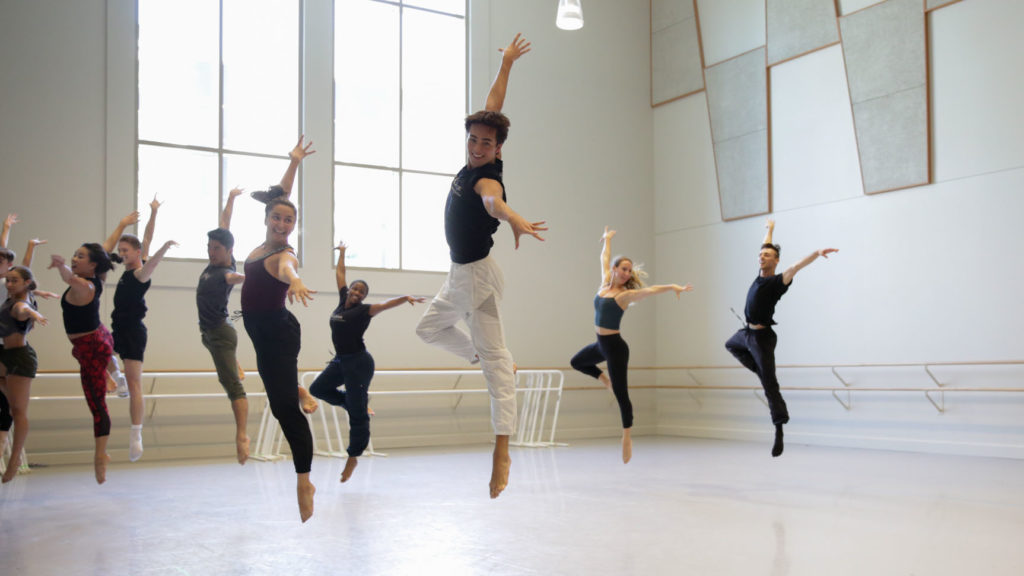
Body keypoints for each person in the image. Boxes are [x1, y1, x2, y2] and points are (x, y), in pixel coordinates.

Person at [415, 34, 546, 499]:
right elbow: (492, 105)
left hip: (473, 276)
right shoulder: (477, 154)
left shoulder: (487, 179)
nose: (477, 146)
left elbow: (492, 202)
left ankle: (502, 450)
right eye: (473, 139)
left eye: (485, 143)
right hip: (466, 273)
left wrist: (513, 217)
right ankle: (492, 363)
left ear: (498, 149)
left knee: (474, 355)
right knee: (459, 343)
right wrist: (507, 64)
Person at [240, 136, 318, 522]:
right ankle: (296, 385)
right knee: (282, 397)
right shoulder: (260, 246)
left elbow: (289, 268)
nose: (283, 223)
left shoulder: (284, 253)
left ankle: (304, 481)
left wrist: (296, 280)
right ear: (268, 218)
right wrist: (295, 162)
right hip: (266, 334)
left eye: (290, 220)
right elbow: (280, 195)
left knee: (284, 410)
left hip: (278, 334)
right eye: (278, 218)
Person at [570, 227, 693, 463]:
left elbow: (650, 290)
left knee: (622, 394)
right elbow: (604, 257)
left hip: (615, 347)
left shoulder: (624, 296)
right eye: (624, 269)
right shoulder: (604, 283)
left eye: (630, 270)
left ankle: (626, 436)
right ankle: (605, 381)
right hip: (600, 344)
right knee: (577, 362)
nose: (627, 273)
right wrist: (607, 240)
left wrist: (673, 287)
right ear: (615, 270)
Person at [310, 241, 425, 483]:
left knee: (358, 416)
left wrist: (405, 297)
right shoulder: (342, 300)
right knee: (317, 389)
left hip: (359, 363)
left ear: (364, 296)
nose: (356, 293)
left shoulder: (364, 311)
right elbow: (340, 274)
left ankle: (353, 456)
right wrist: (342, 254)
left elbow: (385, 305)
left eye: (361, 292)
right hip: (341, 360)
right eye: (354, 289)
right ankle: (353, 404)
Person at [725, 218, 838, 457]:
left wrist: (816, 253)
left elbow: (796, 266)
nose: (762, 257)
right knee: (730, 345)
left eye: (768, 255)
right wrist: (770, 230)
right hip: (746, 334)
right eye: (761, 254)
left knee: (770, 386)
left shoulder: (778, 282)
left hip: (762, 338)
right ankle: (760, 371)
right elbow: (764, 246)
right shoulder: (759, 274)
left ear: (776, 261)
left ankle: (779, 428)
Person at [104, 199, 178, 462]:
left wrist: (164, 248)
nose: (121, 254)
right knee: (98, 352)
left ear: (137, 253)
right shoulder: (130, 265)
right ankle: (117, 377)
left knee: (136, 384)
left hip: (133, 331)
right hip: (117, 327)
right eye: (120, 250)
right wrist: (154, 211)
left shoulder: (139, 274)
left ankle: (136, 435)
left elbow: (152, 262)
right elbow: (146, 236)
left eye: (126, 250)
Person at [49, 243, 117, 484]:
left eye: (80, 256)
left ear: (93, 265)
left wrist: (61, 267)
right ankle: (109, 368)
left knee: (96, 404)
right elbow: (106, 248)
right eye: (74, 255)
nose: (75, 258)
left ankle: (101, 456)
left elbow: (70, 278)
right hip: (95, 340)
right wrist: (120, 226)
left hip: (93, 346)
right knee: (80, 353)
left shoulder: (86, 285)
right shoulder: (95, 279)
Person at [197, 187, 249, 464]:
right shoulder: (217, 258)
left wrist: (253, 277)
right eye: (209, 247)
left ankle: (241, 435)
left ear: (228, 251)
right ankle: (235, 363)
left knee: (232, 387)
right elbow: (225, 223)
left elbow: (237, 278)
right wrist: (230, 199)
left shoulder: (227, 272)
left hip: (219, 334)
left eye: (215, 248)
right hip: (210, 333)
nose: (211, 252)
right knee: (229, 370)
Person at [0, 266, 47, 482]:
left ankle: (15, 459)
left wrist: (33, 313)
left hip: (20, 358)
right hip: (6, 356)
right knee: (12, 406)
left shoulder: (21, 302)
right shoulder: (21, 295)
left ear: (26, 283)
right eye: (7, 280)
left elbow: (22, 309)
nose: (9, 284)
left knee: (18, 412)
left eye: (13, 281)